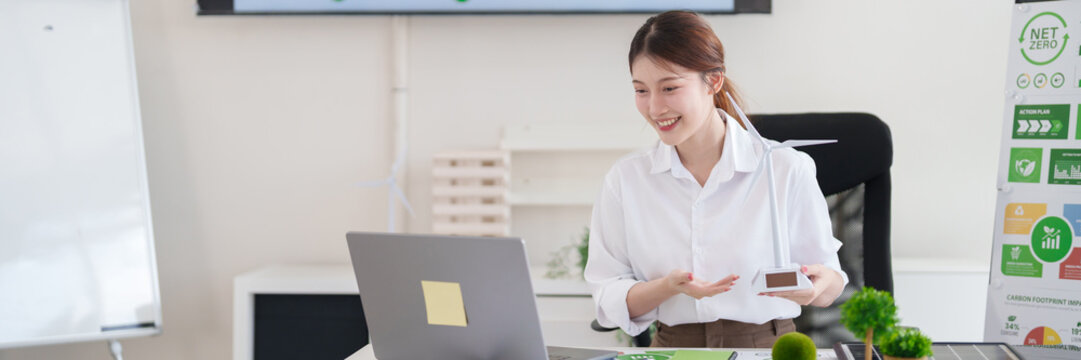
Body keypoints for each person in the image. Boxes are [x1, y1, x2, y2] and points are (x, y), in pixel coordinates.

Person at [583, 10, 849, 348]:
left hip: (768, 347)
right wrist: (667, 287)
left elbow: (830, 283)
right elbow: (608, 300)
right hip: (673, 348)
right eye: (641, 90)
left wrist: (818, 286)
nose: (654, 108)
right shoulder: (626, 180)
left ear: (713, 81)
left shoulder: (785, 168)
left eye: (669, 88)